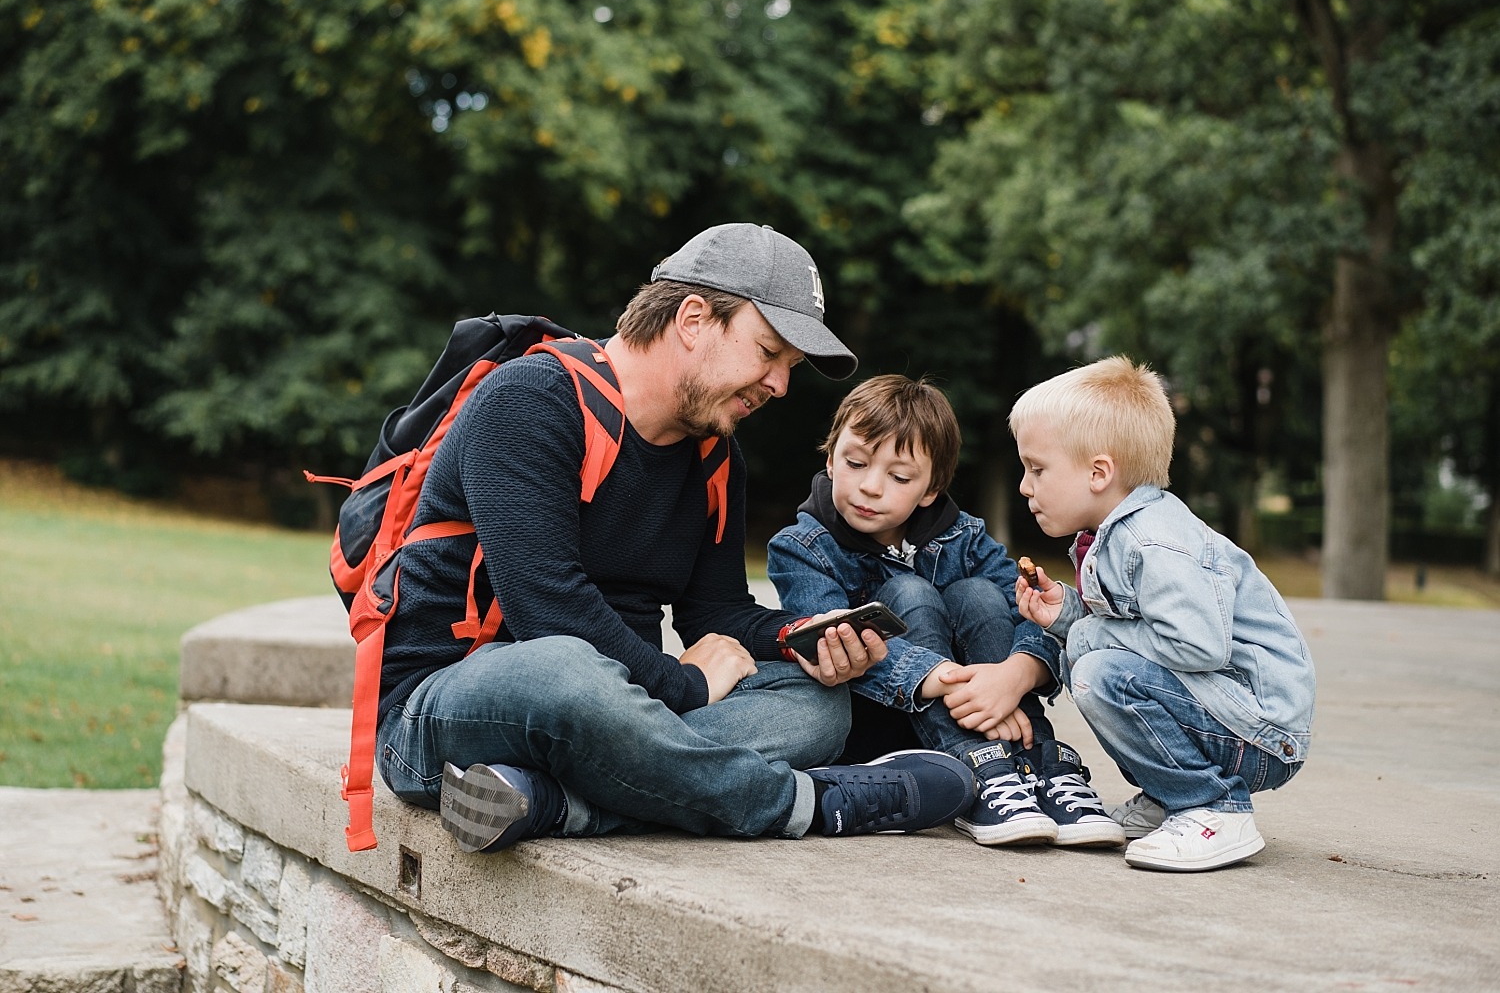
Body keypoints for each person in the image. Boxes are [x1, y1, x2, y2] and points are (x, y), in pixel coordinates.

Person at [374, 223, 975, 852]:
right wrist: (683, 684)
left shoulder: (716, 458)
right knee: (564, 673)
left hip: (628, 708)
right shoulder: (531, 398)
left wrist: (797, 639)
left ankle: (554, 801)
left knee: (816, 704)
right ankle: (811, 803)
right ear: (693, 319)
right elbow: (547, 609)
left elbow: (713, 612)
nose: (780, 385)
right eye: (768, 352)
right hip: (449, 706)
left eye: (790, 367)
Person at [768, 375, 1125, 848]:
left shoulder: (965, 538)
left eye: (898, 477)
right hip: (887, 726)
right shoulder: (801, 548)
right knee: (909, 591)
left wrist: (1014, 678)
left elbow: (1037, 615)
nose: (870, 487)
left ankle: (1038, 765)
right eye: (855, 463)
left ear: (931, 489)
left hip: (994, 704)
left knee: (978, 594)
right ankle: (981, 770)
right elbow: (835, 643)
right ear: (831, 459)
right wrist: (951, 682)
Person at [1008, 355, 1315, 871]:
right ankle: (1172, 795)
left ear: (1099, 472)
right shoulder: (1119, 531)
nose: (1024, 485)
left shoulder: (1154, 540)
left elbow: (1198, 645)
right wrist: (1069, 615)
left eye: (1037, 469)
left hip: (1261, 731)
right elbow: (1143, 629)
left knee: (1100, 675)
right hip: (1228, 713)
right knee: (1095, 664)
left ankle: (1214, 808)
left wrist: (1088, 633)